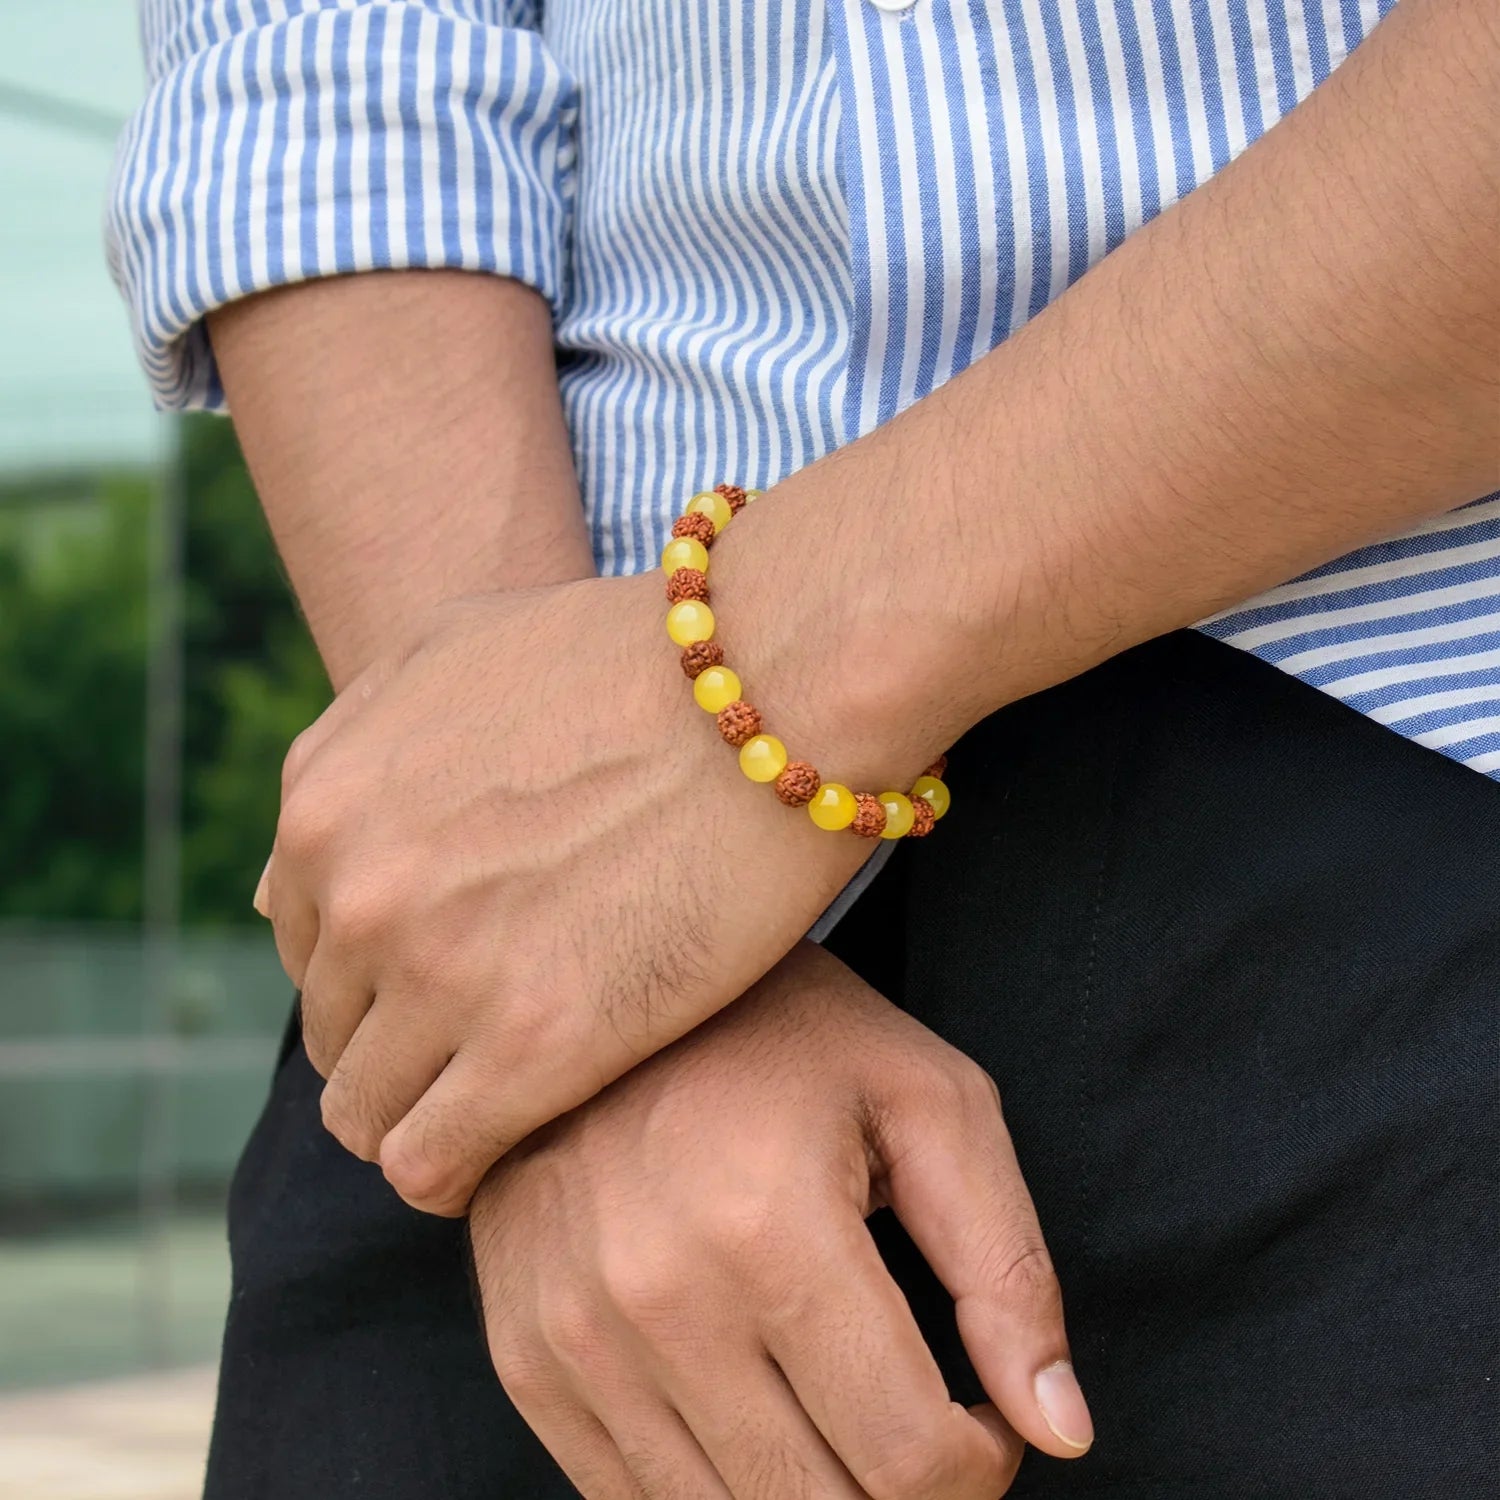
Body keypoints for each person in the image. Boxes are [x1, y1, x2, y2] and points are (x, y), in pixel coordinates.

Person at [109, 0, 1497, 1495]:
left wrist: (734, 690)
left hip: (1401, 794)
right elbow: (318, 59)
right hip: (504, 958)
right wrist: (534, 890)